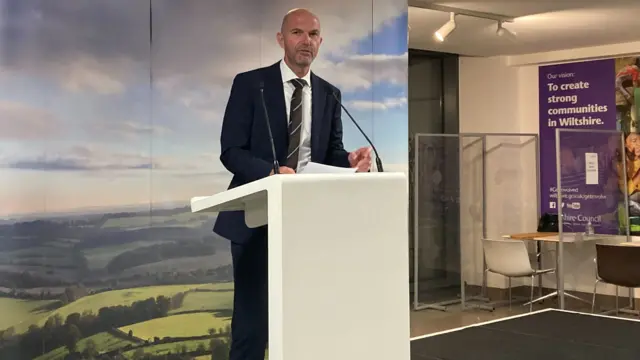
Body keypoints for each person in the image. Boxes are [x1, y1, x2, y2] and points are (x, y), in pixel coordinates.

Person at [213, 8, 372, 360]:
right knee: (252, 329)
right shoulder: (250, 84)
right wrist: (270, 174)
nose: (306, 41)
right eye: (298, 33)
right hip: (257, 218)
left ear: (321, 42)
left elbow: (328, 152)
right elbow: (231, 151)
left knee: (305, 322)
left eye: (313, 34)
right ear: (281, 39)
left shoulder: (330, 94)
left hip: (308, 223)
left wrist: (349, 160)